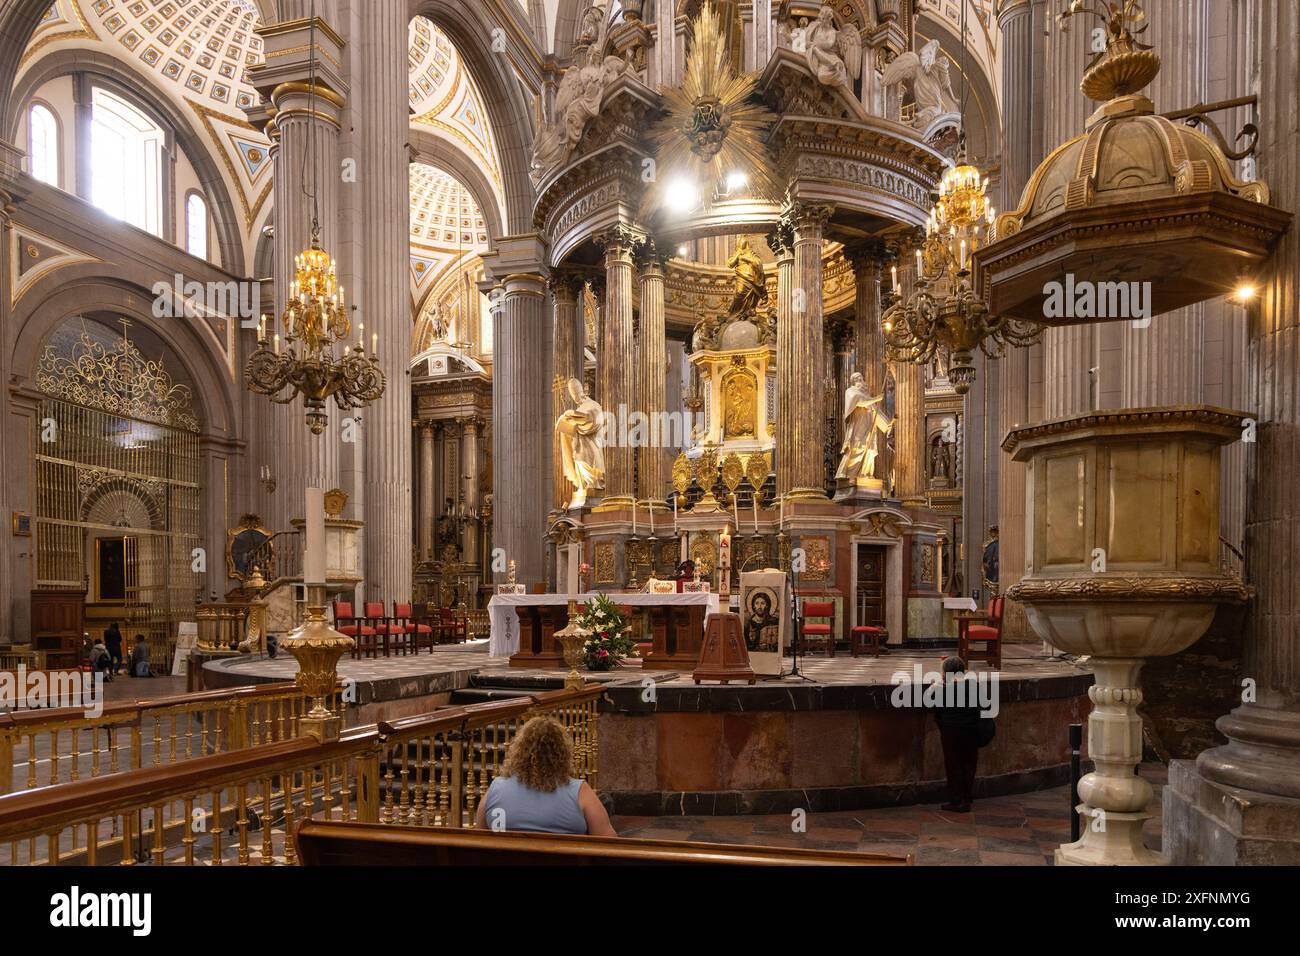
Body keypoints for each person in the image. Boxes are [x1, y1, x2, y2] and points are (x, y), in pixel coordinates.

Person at [474, 716, 616, 836]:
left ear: (518, 751)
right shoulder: (580, 792)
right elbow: (610, 844)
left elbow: (477, 840)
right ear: (562, 753)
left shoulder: (496, 788)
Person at [932, 656, 980, 812]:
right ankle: (967, 796)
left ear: (946, 673)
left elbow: (931, 707)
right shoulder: (974, 685)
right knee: (969, 763)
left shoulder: (942, 688)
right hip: (972, 730)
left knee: (953, 765)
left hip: (951, 731)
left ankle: (957, 800)